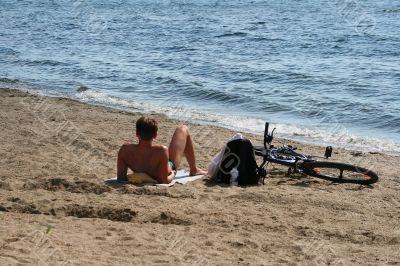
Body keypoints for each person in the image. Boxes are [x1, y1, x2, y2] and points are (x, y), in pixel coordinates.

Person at [117, 116, 207, 184]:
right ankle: (194, 170)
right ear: (155, 135)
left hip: (152, 167)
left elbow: (121, 178)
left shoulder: (125, 150)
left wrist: (142, 176)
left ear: (137, 133)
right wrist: (173, 173)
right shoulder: (161, 151)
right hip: (169, 166)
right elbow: (164, 181)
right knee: (183, 129)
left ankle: (194, 169)